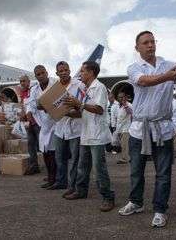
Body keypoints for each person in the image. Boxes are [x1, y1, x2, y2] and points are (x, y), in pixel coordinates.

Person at [118, 31, 176, 227]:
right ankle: (136, 202)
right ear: (137, 47)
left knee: (163, 172)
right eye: (145, 43)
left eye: (152, 41)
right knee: (136, 170)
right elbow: (143, 81)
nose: (150, 45)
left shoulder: (170, 64)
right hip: (139, 129)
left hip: (163, 129)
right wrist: (169, 76)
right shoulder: (134, 68)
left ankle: (160, 209)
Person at [64, 61, 115, 212]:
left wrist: (79, 104)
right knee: (82, 165)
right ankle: (81, 190)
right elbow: (81, 112)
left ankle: (108, 197)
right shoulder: (84, 89)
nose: (80, 74)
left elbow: (99, 109)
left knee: (99, 168)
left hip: (97, 135)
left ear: (91, 72)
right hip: (86, 133)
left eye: (83, 71)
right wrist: (61, 112)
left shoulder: (99, 87)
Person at [51, 61, 83, 195]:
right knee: (59, 157)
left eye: (66, 70)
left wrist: (67, 111)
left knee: (75, 159)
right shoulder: (54, 88)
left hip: (75, 128)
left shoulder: (79, 85)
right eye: (61, 71)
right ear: (57, 73)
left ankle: (73, 185)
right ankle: (61, 181)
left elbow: (81, 106)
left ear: (70, 71)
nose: (64, 73)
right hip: (59, 128)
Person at [26, 65, 57, 188]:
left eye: (42, 73)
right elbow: (31, 103)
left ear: (46, 73)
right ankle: (51, 177)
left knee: (55, 153)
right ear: (36, 76)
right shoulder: (34, 89)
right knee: (45, 152)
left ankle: (55, 178)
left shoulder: (55, 84)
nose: (41, 76)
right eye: (38, 74)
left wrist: (45, 106)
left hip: (56, 124)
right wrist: (28, 112)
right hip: (43, 125)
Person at [115, 92, 133, 164]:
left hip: (126, 129)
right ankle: (126, 157)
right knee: (123, 144)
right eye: (120, 97)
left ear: (126, 97)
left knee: (125, 144)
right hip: (120, 128)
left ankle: (125, 158)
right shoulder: (119, 106)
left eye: (122, 97)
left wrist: (125, 105)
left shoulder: (129, 105)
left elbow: (131, 112)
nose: (121, 99)